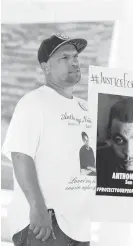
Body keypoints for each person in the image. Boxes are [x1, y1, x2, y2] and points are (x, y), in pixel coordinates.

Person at [2, 33, 95, 246]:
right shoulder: (34, 102)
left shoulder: (86, 109)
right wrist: (37, 209)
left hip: (79, 225)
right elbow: (20, 156)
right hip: (44, 224)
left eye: (75, 57)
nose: (73, 61)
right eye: (64, 58)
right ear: (46, 67)